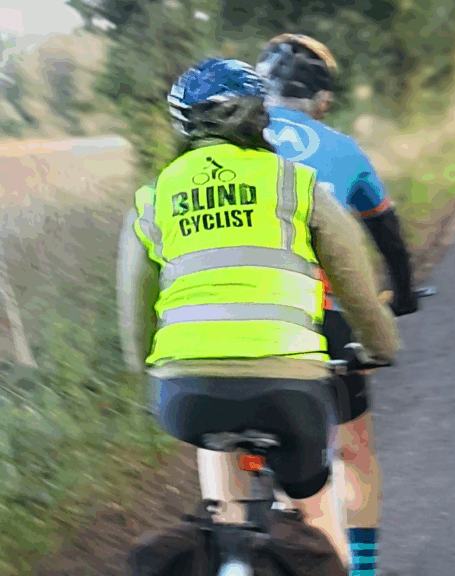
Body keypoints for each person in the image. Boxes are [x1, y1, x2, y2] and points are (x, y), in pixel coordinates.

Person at [116, 58, 400, 564]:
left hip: (183, 394)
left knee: (220, 500)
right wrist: (381, 346)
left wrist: (151, 367)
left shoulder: (153, 197)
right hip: (288, 386)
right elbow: (356, 287)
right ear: (255, 117)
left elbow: (136, 317)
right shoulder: (296, 183)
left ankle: (225, 543)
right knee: (311, 510)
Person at [253, 33, 414, 576]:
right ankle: (361, 570)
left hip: (247, 317)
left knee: (255, 448)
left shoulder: (234, 143)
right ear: (321, 98)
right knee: (352, 448)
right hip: (325, 316)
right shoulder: (341, 147)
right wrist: (405, 293)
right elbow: (385, 230)